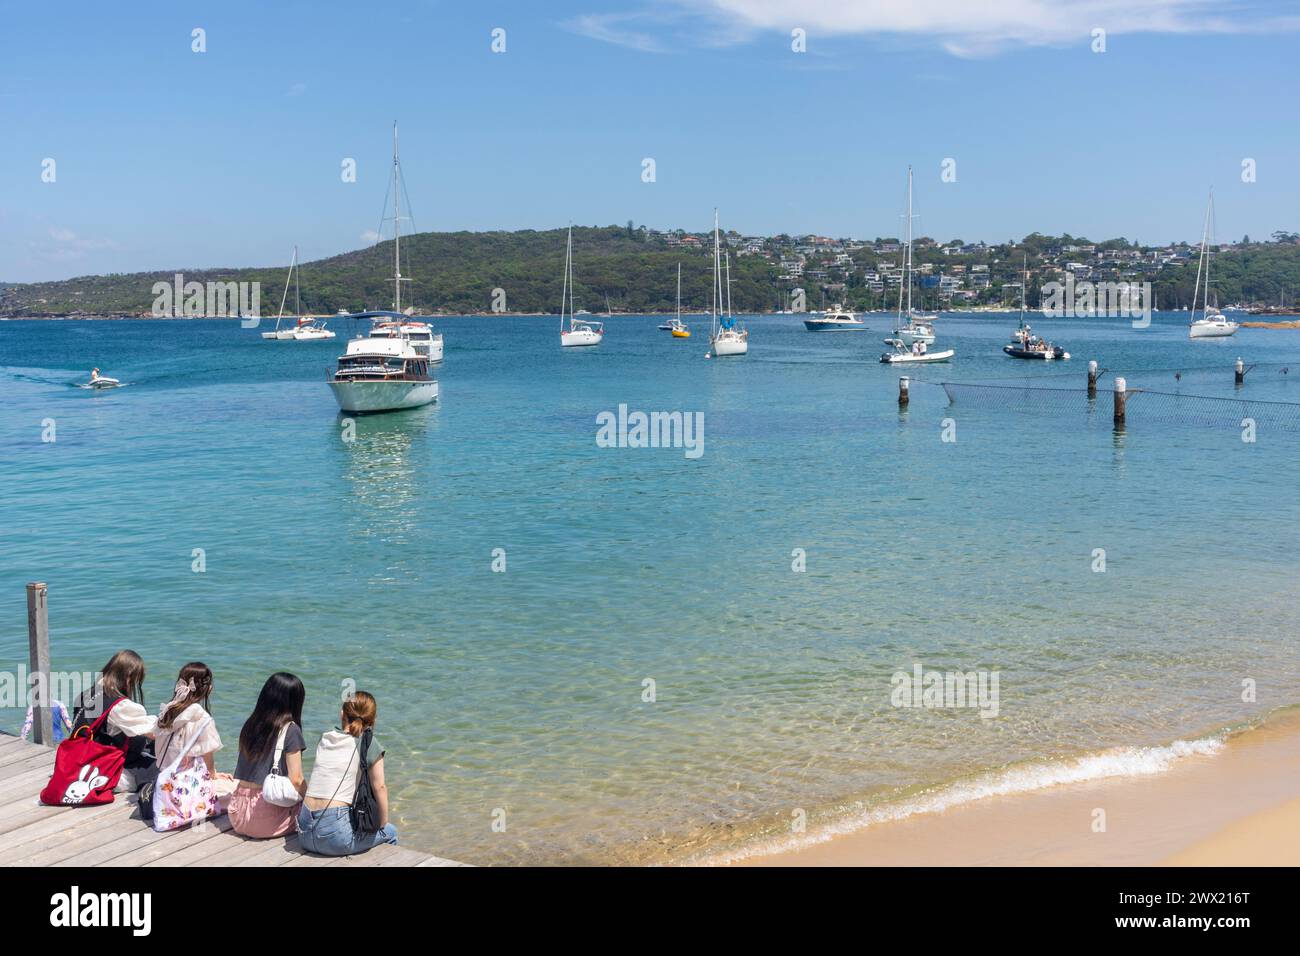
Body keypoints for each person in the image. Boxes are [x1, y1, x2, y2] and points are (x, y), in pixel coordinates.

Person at [298, 691, 398, 855]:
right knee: (390, 832)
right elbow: (379, 787)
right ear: (373, 720)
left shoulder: (325, 738)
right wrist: (382, 823)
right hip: (334, 837)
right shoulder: (369, 743)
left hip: (304, 831)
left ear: (342, 714)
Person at [151, 662, 235, 821]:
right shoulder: (202, 718)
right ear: (208, 688)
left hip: (164, 780)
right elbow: (208, 756)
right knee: (233, 795)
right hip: (185, 787)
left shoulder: (168, 710)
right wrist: (213, 775)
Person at [229, 673, 307, 838]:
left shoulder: (251, 723)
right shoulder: (291, 730)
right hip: (266, 817)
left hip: (238, 813)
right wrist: (310, 802)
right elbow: (297, 779)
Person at [70, 650, 158, 793]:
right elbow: (153, 732)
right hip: (103, 771)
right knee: (161, 769)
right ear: (128, 677)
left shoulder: (85, 694)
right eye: (135, 681)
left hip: (78, 763)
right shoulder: (119, 706)